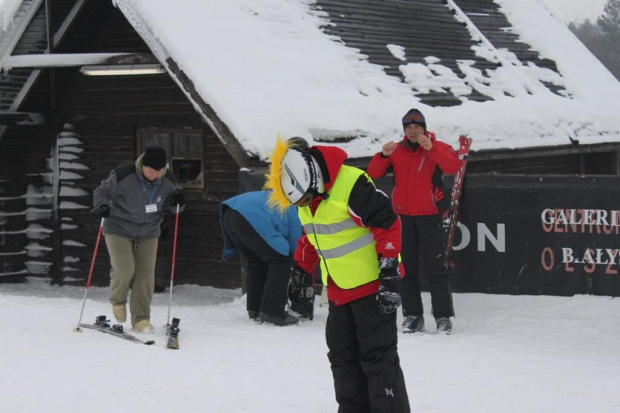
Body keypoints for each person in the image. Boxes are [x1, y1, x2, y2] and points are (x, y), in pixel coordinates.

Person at [265, 137, 410, 412]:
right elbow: (312, 237)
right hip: (339, 292)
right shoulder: (305, 200)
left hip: (371, 290)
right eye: (299, 202)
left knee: (378, 361)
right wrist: (299, 271)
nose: (304, 205)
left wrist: (389, 271)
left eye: (306, 198)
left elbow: (388, 223)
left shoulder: (351, 183)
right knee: (343, 361)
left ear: (314, 177)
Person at [367, 108, 460, 334]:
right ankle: (413, 316)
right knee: (406, 270)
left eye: (417, 126)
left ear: (424, 127)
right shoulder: (397, 150)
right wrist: (383, 155)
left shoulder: (437, 146)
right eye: (408, 127)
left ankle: (443, 317)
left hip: (429, 217)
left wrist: (432, 148)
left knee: (436, 270)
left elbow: (453, 166)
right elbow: (373, 172)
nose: (412, 131)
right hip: (402, 218)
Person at [91, 146, 185, 333]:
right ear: (143, 165)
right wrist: (102, 205)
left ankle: (141, 319)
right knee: (125, 268)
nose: (154, 175)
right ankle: (118, 300)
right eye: (150, 171)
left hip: (149, 230)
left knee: (145, 277)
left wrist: (179, 204)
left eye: (158, 171)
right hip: (119, 227)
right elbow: (101, 192)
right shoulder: (123, 175)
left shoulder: (168, 181)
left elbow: (172, 209)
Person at [219, 190, 303, 326]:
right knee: (281, 261)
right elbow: (295, 243)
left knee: (256, 262)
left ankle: (256, 308)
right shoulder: (298, 209)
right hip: (250, 215)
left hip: (231, 212)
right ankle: (272, 312)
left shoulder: (285, 197)